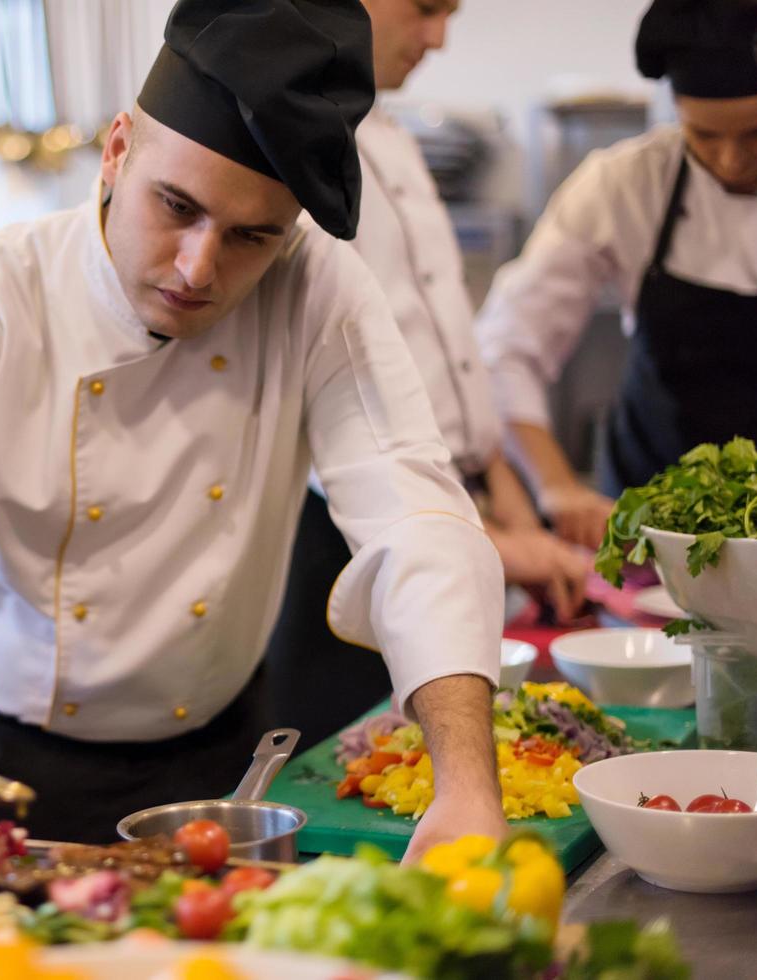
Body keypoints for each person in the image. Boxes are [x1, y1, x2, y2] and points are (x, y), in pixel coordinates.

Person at [0, 0, 506, 859]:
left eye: (250, 237)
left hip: (218, 761)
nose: (197, 268)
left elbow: (415, 516)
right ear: (117, 148)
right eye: (175, 206)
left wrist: (466, 785)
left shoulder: (317, 290)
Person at [265, 0, 592, 744]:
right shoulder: (291, 138)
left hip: (450, 514)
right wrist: (495, 545)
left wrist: (505, 501)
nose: (439, 39)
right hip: (343, 543)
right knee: (358, 771)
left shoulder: (392, 130)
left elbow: (450, 352)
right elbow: (322, 405)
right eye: (424, 9)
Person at [477, 0, 757, 549]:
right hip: (647, 528)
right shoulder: (626, 185)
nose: (730, 160)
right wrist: (556, 486)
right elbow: (505, 347)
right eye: (703, 136)